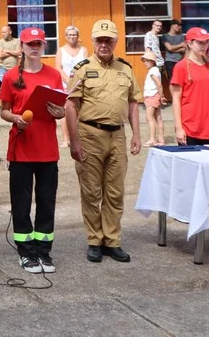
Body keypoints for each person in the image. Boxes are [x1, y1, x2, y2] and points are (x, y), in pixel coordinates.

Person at [65, 19, 141, 264]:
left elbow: (132, 103)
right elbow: (71, 105)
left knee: (116, 192)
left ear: (116, 42)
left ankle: (112, 240)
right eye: (100, 40)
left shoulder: (126, 69)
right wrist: (74, 141)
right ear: (94, 42)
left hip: (117, 136)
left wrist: (137, 135)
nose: (104, 45)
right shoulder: (82, 68)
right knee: (91, 191)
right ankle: (94, 240)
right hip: (90, 135)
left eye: (109, 40)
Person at [0, 27, 65, 274]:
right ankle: (26, 252)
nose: (34, 48)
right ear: (22, 48)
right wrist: (15, 118)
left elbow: (60, 107)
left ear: (44, 46)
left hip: (47, 148)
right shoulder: (11, 76)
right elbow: (4, 110)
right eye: (30, 44)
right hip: (21, 148)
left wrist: (61, 112)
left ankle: (44, 250)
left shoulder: (54, 75)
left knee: (47, 201)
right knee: (21, 201)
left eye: (38, 44)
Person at [171, 28, 209, 146]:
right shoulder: (181, 67)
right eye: (199, 42)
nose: (204, 46)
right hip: (189, 128)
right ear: (189, 43)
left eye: (206, 42)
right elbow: (176, 100)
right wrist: (179, 128)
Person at [54, 26, 86, 148]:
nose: (72, 37)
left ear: (78, 36)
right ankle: (66, 140)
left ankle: (77, 138)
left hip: (80, 84)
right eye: (70, 35)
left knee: (80, 111)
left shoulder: (84, 50)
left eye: (74, 35)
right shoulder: (61, 50)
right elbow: (58, 68)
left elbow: (86, 66)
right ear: (66, 37)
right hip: (65, 85)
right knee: (67, 110)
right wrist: (68, 81)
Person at [141, 52, 167, 146]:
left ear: (152, 61)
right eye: (145, 61)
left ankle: (152, 139)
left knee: (149, 117)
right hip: (155, 95)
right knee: (158, 117)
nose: (145, 62)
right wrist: (161, 96)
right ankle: (161, 140)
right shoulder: (156, 70)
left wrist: (162, 96)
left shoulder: (152, 71)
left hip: (152, 95)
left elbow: (158, 84)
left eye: (147, 61)